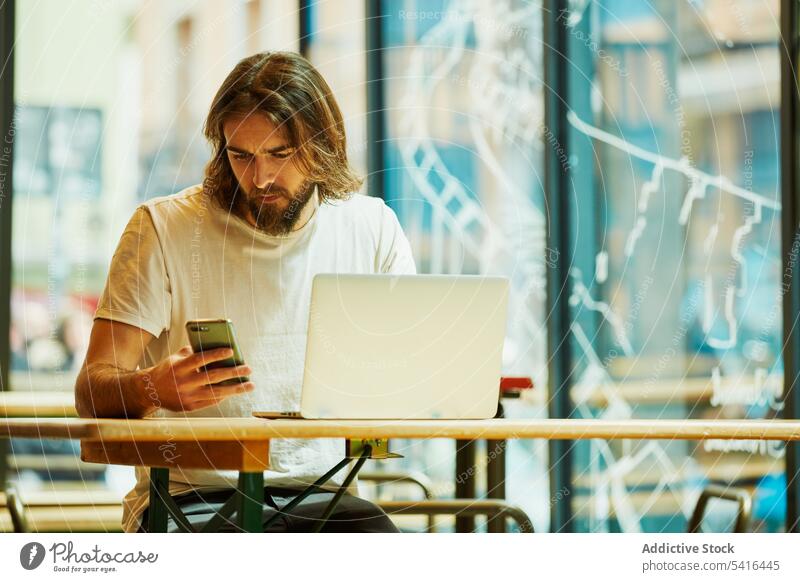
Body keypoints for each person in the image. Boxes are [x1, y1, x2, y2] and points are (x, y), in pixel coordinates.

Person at [74, 51, 416, 533]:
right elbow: (91, 390)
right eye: (241, 155)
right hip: (191, 499)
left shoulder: (373, 227)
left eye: (281, 154)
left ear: (325, 145)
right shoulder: (164, 228)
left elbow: (410, 375)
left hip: (326, 495)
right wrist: (153, 386)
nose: (260, 178)